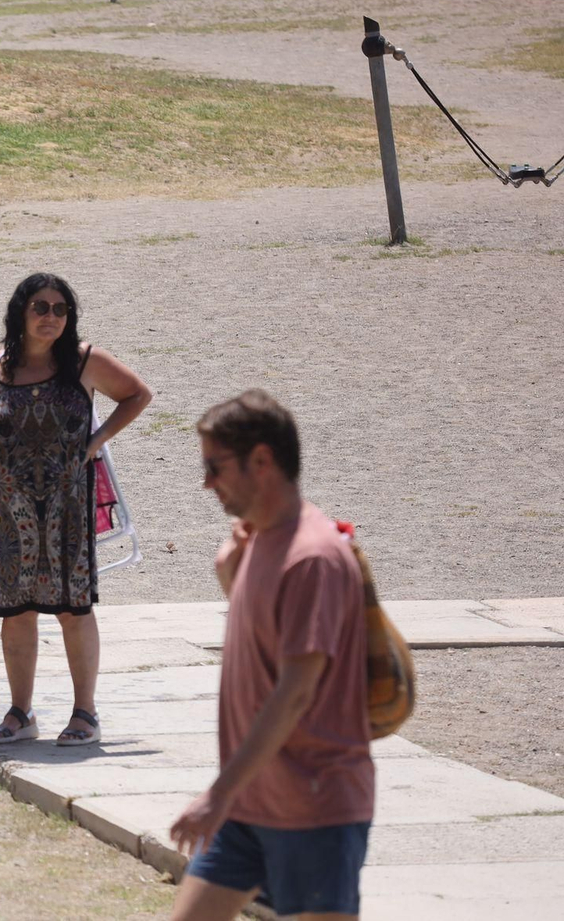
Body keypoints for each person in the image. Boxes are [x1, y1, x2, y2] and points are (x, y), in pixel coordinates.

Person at [169, 390, 373, 921]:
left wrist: (218, 793)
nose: (206, 482)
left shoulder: (312, 559)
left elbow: (296, 692)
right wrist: (229, 575)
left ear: (261, 460)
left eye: (215, 467)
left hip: (314, 809)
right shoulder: (256, 542)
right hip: (249, 803)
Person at [0, 273, 151, 745]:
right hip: (3, 513)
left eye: (61, 309)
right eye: (41, 307)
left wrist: (96, 442)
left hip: (66, 511)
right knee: (16, 611)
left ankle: (85, 713)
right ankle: (20, 713)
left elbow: (137, 394)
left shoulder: (85, 361)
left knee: (73, 609)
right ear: (20, 312)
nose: (51, 317)